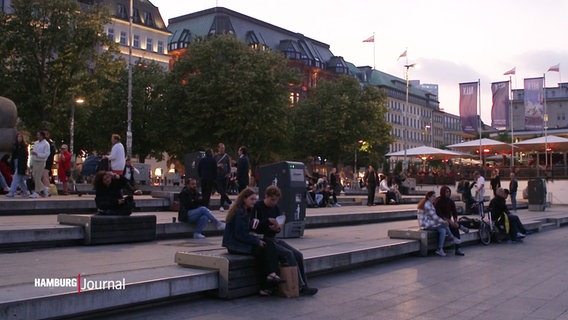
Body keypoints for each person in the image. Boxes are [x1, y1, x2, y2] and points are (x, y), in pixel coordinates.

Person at [253, 185, 318, 295]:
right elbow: (255, 226)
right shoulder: (258, 206)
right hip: (264, 239)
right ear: (266, 196)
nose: (274, 202)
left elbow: (277, 227)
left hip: (272, 238)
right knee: (288, 254)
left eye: (276, 200)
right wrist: (267, 222)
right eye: (272, 199)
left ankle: (304, 284)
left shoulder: (276, 208)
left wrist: (277, 228)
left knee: (298, 254)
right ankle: (300, 286)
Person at [222, 187, 283, 296]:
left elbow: (247, 230)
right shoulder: (239, 212)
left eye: (255, 199)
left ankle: (271, 275)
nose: (254, 202)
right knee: (263, 251)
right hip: (235, 244)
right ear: (244, 199)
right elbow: (239, 235)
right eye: (252, 199)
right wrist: (256, 241)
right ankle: (268, 280)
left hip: (241, 241)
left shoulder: (247, 211)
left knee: (268, 244)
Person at [417, 191, 461, 257]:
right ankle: (451, 237)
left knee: (443, 230)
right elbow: (435, 217)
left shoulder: (429, 203)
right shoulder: (427, 205)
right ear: (429, 197)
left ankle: (440, 249)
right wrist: (443, 221)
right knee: (444, 224)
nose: (435, 198)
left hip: (429, 222)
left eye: (435, 196)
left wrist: (443, 221)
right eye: (433, 196)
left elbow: (434, 217)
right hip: (425, 224)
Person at [434, 186, 469, 256]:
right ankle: (460, 226)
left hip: (448, 221)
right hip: (440, 221)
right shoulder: (438, 201)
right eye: (446, 192)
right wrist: (450, 221)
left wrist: (455, 221)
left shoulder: (450, 201)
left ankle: (458, 249)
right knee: (452, 225)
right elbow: (439, 214)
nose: (448, 193)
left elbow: (454, 212)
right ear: (443, 192)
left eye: (449, 192)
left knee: (455, 229)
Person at [6, 133, 29, 197]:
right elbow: (13, 155)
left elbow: (25, 157)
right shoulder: (15, 146)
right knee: (21, 179)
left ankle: (12, 191)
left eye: (20, 137)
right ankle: (26, 192)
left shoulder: (24, 146)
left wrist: (25, 165)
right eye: (18, 137)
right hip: (15, 162)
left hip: (21, 164)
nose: (19, 138)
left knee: (16, 177)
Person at [29, 131, 51, 198]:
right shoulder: (36, 143)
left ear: (42, 136)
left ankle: (37, 192)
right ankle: (44, 189)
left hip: (41, 161)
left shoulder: (46, 144)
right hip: (35, 161)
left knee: (38, 176)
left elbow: (47, 154)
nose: (37, 136)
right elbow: (33, 153)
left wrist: (38, 154)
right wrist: (31, 162)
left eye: (38, 135)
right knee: (34, 176)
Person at [215, 143, 232, 211]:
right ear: (218, 148)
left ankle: (221, 206)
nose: (222, 149)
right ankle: (229, 202)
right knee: (220, 190)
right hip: (217, 176)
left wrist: (229, 173)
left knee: (224, 191)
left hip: (225, 176)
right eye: (221, 148)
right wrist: (217, 165)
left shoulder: (226, 156)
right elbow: (213, 165)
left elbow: (229, 165)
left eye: (223, 148)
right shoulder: (215, 156)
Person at [41, 131, 56, 196]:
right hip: (46, 161)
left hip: (47, 161)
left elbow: (51, 153)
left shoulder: (49, 143)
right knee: (44, 175)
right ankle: (45, 189)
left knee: (45, 175)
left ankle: (47, 190)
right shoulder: (48, 143)